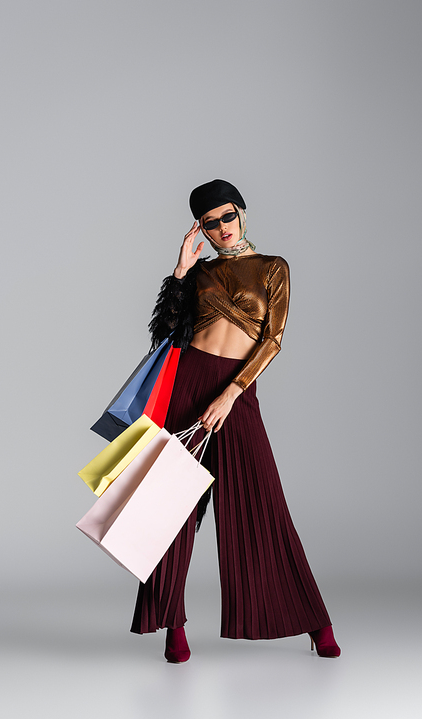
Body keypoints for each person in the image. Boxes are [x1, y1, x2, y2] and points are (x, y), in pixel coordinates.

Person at [130, 179, 341, 661]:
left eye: (228, 216)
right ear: (200, 228)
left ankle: (314, 619)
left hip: (235, 390)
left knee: (262, 504)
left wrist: (231, 393)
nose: (222, 228)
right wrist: (181, 271)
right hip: (187, 385)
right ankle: (171, 626)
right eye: (210, 223)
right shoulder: (200, 274)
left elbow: (272, 340)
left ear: (242, 212)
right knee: (172, 511)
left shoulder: (273, 268)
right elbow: (165, 335)